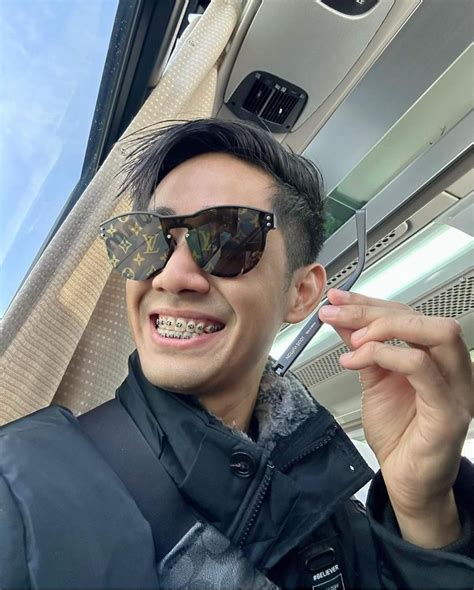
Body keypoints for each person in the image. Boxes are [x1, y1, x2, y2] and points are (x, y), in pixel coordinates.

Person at [1, 118, 473, 589]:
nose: (171, 276)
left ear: (301, 293)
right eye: (149, 240)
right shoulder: (20, 494)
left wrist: (425, 509)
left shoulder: (331, 514)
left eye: (227, 239)